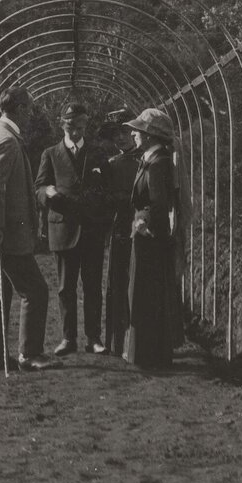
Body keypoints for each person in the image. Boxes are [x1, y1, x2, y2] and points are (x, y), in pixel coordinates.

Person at [0, 85, 60, 373]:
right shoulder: (7, 141)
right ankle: (30, 354)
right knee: (36, 290)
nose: (30, 114)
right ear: (17, 109)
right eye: (28, 108)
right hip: (3, 236)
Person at [36, 101, 111, 356]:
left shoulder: (98, 153)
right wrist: (48, 192)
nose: (75, 131)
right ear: (61, 124)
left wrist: (100, 207)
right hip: (63, 228)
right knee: (65, 287)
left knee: (92, 285)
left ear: (85, 125)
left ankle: (94, 338)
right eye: (70, 126)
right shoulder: (50, 154)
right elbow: (39, 187)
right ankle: (68, 339)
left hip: (91, 230)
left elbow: (106, 190)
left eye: (80, 126)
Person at [123, 107, 185, 371]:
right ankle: (148, 353)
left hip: (151, 238)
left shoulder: (157, 162)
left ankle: (149, 356)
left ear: (150, 136)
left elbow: (159, 204)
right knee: (146, 294)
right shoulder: (151, 158)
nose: (134, 135)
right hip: (146, 235)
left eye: (138, 131)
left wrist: (142, 221)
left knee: (146, 294)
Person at [98, 107, 139, 357]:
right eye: (116, 134)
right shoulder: (111, 164)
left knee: (138, 282)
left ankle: (135, 341)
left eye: (125, 132)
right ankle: (116, 341)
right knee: (117, 281)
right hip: (119, 228)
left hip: (141, 227)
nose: (120, 138)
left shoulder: (146, 159)